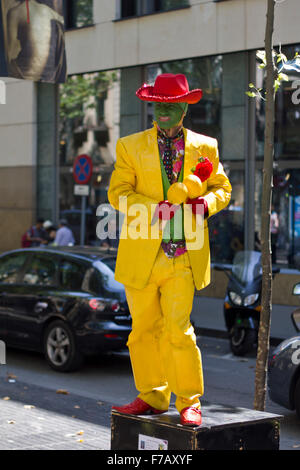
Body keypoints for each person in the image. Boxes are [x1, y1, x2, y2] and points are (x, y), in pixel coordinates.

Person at [108, 73, 232, 426]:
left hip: (182, 256)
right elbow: (117, 193)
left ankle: (189, 401)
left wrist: (204, 205)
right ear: (152, 107)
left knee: (179, 331)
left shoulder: (206, 147)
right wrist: (153, 208)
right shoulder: (130, 146)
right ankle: (152, 395)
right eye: (158, 105)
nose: (164, 112)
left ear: (184, 108)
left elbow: (222, 187)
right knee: (143, 332)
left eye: (171, 105)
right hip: (142, 258)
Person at [3, 0, 66, 82]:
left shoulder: (15, 12)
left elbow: (10, 51)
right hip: (49, 72)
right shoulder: (50, 12)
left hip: (23, 73)